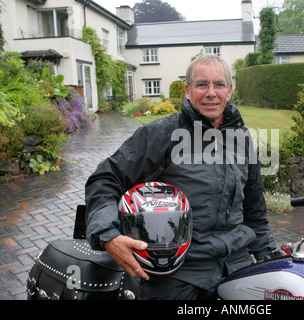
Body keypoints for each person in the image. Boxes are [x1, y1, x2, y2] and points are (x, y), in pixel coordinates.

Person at [84, 54, 276, 299]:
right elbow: (105, 179)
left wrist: (268, 255)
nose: (210, 92)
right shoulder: (163, 134)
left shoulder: (242, 138)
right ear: (187, 90)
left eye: (218, 85)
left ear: (229, 91)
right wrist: (108, 236)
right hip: (179, 270)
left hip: (236, 264)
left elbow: (254, 210)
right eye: (201, 84)